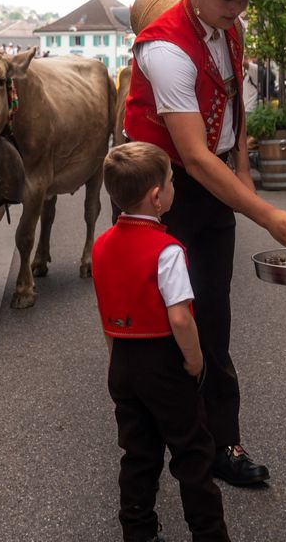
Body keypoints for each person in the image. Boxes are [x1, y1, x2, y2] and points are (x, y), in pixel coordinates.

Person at [123, 0, 286, 487]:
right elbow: (191, 154)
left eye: (243, 1)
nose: (237, 12)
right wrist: (266, 214)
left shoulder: (226, 28)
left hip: (210, 186)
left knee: (214, 318)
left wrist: (245, 175)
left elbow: (230, 119)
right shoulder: (163, 49)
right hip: (161, 195)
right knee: (163, 323)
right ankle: (160, 447)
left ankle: (220, 446)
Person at [92, 142, 231, 542]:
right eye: (171, 182)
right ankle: (209, 532)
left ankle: (138, 530)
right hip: (164, 361)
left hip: (123, 358)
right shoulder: (167, 251)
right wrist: (195, 360)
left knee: (138, 453)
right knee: (192, 451)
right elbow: (179, 317)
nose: (174, 188)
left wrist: (113, 356)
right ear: (157, 197)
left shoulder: (101, 245)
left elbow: (106, 309)